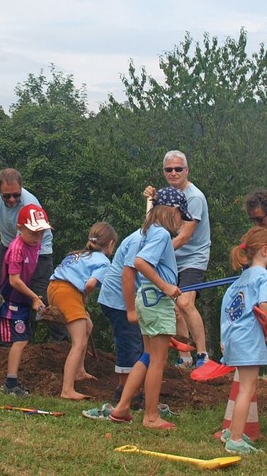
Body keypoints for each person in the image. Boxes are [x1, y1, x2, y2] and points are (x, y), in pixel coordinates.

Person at [107, 187, 192, 430]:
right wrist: (166, 287)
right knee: (158, 360)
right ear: (172, 211)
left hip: (147, 298)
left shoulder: (147, 231)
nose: (181, 221)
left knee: (147, 356)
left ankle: (123, 407)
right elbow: (140, 263)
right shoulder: (161, 235)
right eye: (180, 215)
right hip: (155, 297)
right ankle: (151, 416)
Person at [0, 168, 68, 343]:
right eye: (7, 196)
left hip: (38, 251)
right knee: (4, 292)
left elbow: (24, 246)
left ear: (21, 188)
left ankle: (59, 344)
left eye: (16, 194)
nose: (12, 199)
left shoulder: (30, 205)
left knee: (40, 297)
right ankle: (9, 339)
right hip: (8, 246)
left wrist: (23, 289)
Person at [144, 150, 211, 368]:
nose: (173, 173)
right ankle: (185, 357)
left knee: (184, 302)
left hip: (193, 256)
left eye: (178, 169)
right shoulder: (166, 195)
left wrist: (154, 255)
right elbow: (151, 225)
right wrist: (151, 200)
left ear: (187, 170)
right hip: (171, 257)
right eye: (168, 169)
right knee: (173, 307)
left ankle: (202, 355)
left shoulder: (194, 197)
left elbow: (184, 237)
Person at [218, 226, 267, 454]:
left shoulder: (240, 279)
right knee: (247, 389)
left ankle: (232, 431)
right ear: (264, 251)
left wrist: (224, 339)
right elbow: (265, 306)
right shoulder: (265, 276)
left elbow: (227, 309)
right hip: (249, 340)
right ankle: (235, 439)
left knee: (244, 388)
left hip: (234, 338)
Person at [48, 222, 117, 400]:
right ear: (110, 244)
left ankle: (79, 371)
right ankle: (67, 390)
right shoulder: (103, 261)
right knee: (78, 343)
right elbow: (90, 284)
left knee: (87, 326)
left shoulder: (77, 254)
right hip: (68, 292)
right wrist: (84, 296)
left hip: (53, 288)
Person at [0, 204, 52, 396]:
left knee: (23, 339)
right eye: (33, 232)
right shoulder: (17, 248)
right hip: (11, 299)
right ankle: (10, 383)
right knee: (19, 340)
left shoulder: (35, 245)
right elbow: (14, 280)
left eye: (41, 232)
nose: (38, 236)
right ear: (20, 228)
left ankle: (12, 380)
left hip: (23, 299)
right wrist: (35, 297)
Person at [97, 230, 147, 406]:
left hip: (124, 299)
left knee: (136, 343)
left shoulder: (151, 238)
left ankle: (128, 389)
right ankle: (127, 393)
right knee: (129, 343)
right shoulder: (139, 240)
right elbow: (127, 275)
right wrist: (131, 310)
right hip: (118, 301)